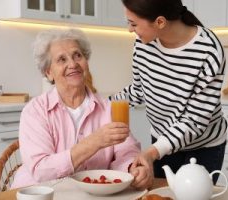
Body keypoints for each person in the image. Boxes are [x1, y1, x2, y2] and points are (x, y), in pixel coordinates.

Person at [11, 28, 153, 189]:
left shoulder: (108, 108)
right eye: (62, 59)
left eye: (77, 55)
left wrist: (132, 169)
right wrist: (93, 142)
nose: (73, 64)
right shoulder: (35, 111)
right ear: (49, 72)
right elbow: (41, 170)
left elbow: (126, 152)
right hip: (42, 194)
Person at [114, 0, 227, 184]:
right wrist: (100, 104)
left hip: (203, 147)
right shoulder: (143, 43)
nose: (129, 30)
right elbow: (138, 90)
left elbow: (194, 121)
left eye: (133, 24)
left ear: (160, 22)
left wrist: (153, 152)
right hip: (161, 141)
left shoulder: (208, 50)